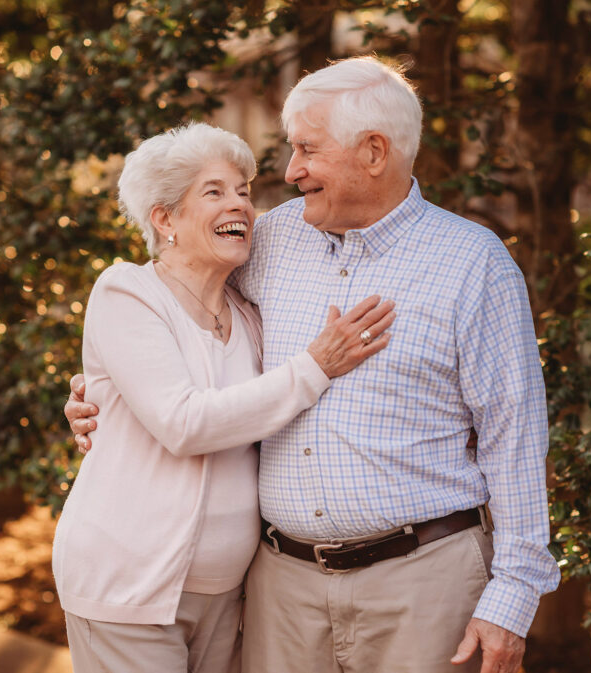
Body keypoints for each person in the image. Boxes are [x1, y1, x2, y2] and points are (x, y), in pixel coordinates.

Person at [66, 57, 560, 673]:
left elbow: (515, 434)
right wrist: (100, 392)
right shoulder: (267, 242)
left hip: (424, 585)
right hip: (281, 590)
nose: (290, 170)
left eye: (306, 149)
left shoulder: (473, 263)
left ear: (374, 152)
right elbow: (173, 297)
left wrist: (513, 594)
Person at [53, 122, 395, 673]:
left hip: (226, 592)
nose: (238, 204)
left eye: (242, 191)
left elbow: (271, 416)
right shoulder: (127, 292)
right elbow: (184, 424)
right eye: (213, 191)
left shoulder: (248, 316)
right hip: (126, 586)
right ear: (164, 219)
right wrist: (316, 365)